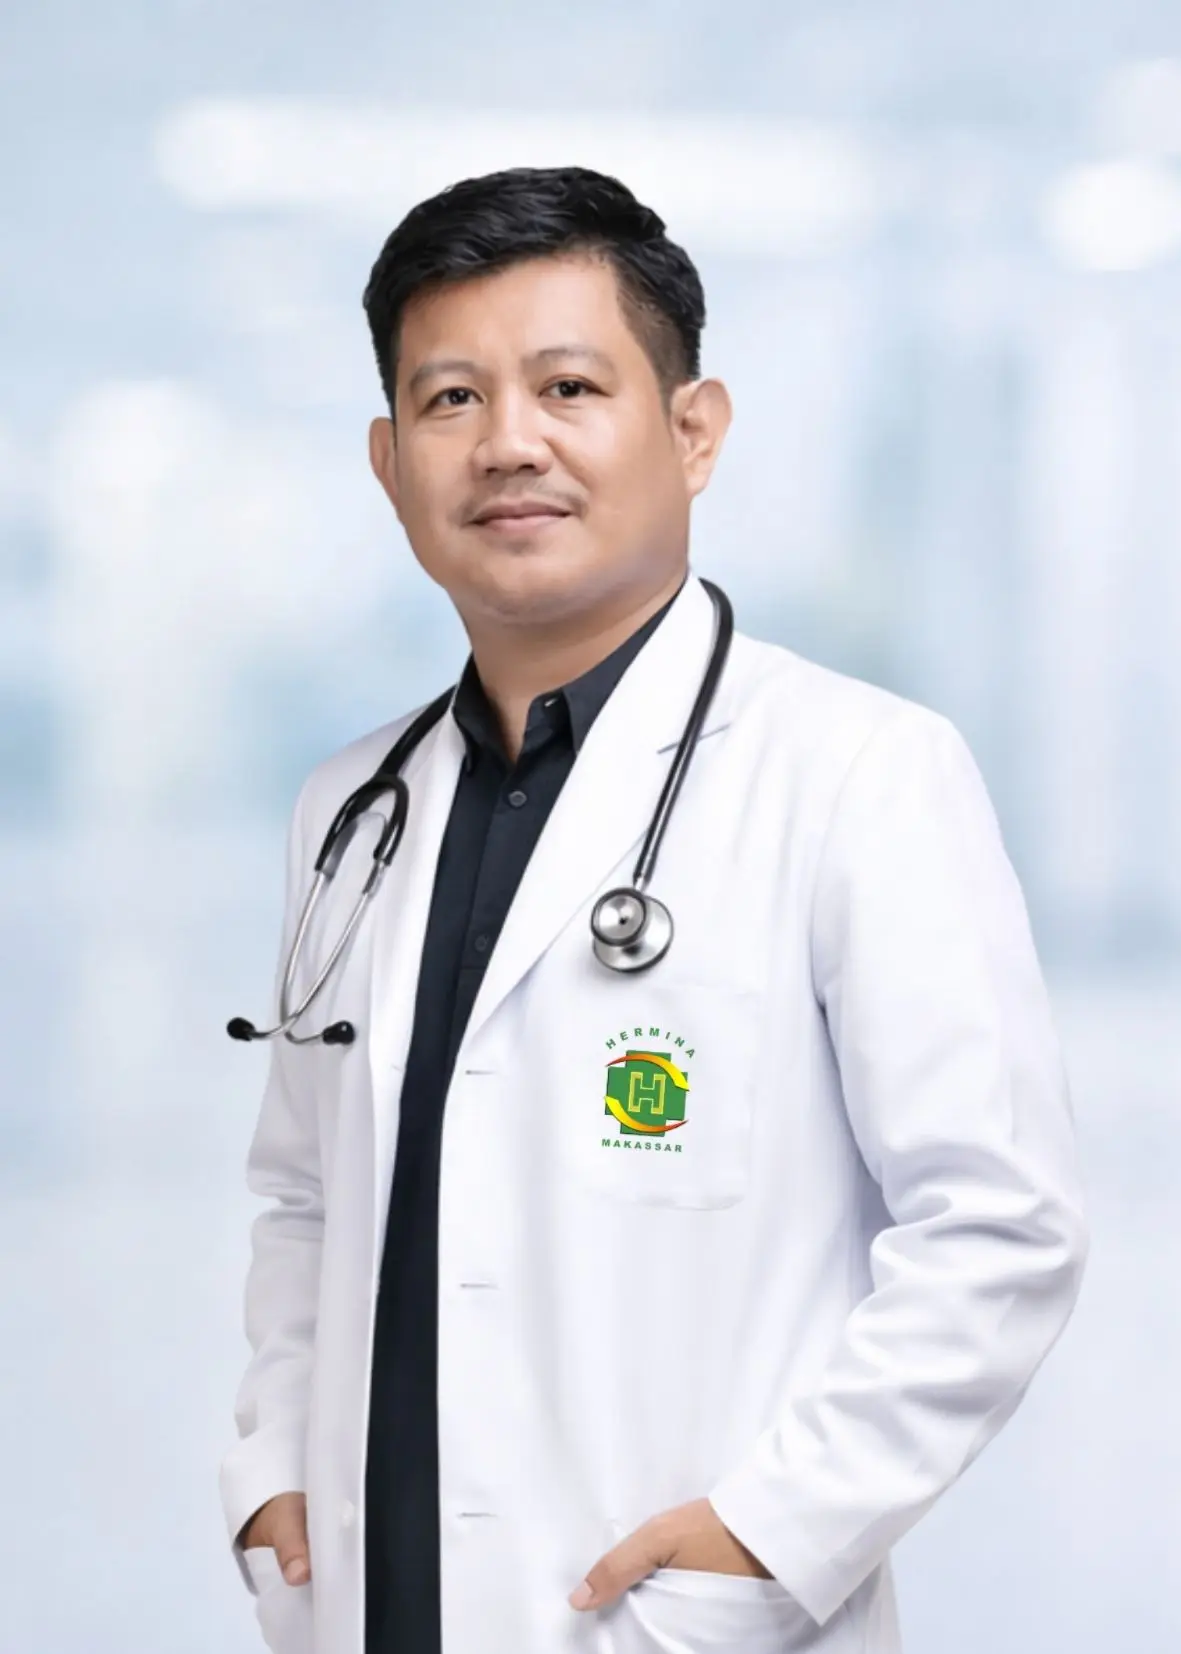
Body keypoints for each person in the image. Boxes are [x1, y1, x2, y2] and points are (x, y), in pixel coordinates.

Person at [219, 165, 1089, 1654]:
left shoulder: (859, 774)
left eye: (569, 386)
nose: (510, 442)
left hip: (666, 1616)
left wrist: (776, 1529)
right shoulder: (351, 808)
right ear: (388, 460)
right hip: (380, 1600)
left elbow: (999, 1227)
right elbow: (307, 1195)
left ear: (694, 434)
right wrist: (273, 1471)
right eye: (450, 399)